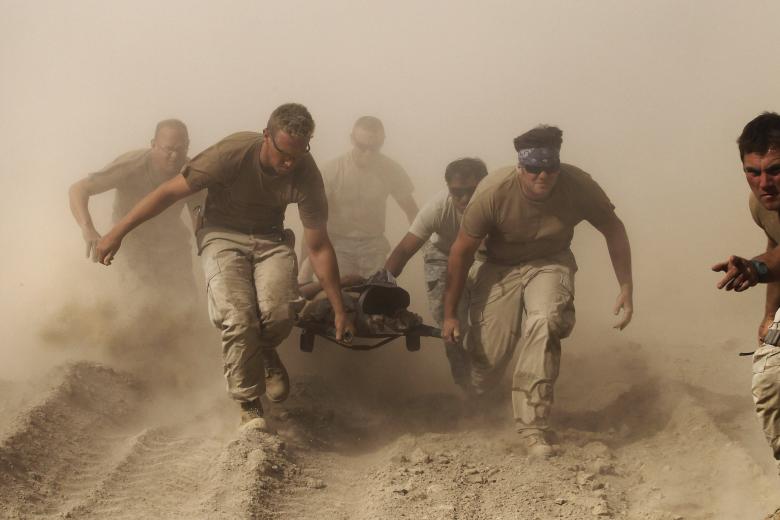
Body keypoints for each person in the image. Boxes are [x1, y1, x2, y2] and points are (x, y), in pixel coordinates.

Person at [96, 103, 355, 430]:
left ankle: (264, 352)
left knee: (279, 313)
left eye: (299, 154)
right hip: (221, 234)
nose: (289, 163)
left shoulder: (306, 174)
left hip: (270, 237)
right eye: (283, 154)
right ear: (266, 136)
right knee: (237, 316)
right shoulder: (231, 153)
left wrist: (339, 309)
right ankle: (249, 404)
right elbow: (168, 193)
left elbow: (318, 246)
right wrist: (117, 233)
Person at [442, 125, 633, 459]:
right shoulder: (493, 192)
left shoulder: (578, 186)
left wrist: (626, 286)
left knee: (544, 322)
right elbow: (461, 253)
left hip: (550, 260)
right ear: (520, 167)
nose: (542, 175)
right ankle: (479, 398)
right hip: (497, 265)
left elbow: (613, 229)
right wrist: (449, 315)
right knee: (489, 358)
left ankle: (533, 426)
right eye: (533, 168)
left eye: (550, 167)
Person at [712, 111, 780, 474]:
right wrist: (769, 315)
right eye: (753, 172)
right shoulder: (761, 205)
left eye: (776, 170)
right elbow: (776, 243)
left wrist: (756, 268)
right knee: (771, 380)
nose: (764, 183)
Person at [385, 157, 488, 390]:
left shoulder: (497, 203)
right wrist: (381, 288)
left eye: (471, 191)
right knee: (449, 320)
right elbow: (403, 251)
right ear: (448, 189)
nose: (464, 199)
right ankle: (466, 385)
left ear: (484, 186)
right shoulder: (438, 207)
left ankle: (487, 375)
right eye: (457, 192)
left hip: (482, 258)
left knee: (489, 319)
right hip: (442, 255)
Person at [69, 119, 199, 295]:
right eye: (168, 149)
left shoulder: (192, 173)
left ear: (188, 146)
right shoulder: (132, 165)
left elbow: (200, 214)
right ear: (153, 145)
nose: (174, 156)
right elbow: (78, 189)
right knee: (138, 301)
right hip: (129, 242)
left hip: (172, 246)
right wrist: (87, 228)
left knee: (186, 301)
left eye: (180, 149)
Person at [299, 116, 418, 282]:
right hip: (337, 244)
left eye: (374, 148)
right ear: (352, 139)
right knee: (342, 293)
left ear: (382, 142)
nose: (368, 154)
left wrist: (425, 251)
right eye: (362, 147)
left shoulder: (392, 170)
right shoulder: (331, 171)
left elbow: (413, 212)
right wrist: (304, 265)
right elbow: (313, 219)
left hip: (374, 246)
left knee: (376, 295)